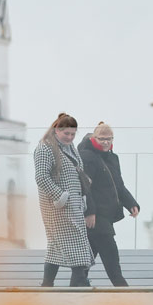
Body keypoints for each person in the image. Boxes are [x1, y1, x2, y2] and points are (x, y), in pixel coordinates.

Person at [33, 113, 94, 287]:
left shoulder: (70, 147)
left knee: (56, 248)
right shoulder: (45, 148)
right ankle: (78, 289)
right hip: (56, 207)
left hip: (73, 206)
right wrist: (60, 196)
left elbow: (77, 173)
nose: (69, 137)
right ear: (56, 130)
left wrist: (81, 198)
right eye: (66, 133)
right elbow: (41, 177)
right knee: (78, 250)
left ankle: (47, 285)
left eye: (73, 134)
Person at [77, 121, 140, 287]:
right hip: (96, 217)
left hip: (107, 215)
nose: (105, 142)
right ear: (94, 138)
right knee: (111, 256)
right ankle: (124, 290)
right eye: (102, 139)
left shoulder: (113, 158)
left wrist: (131, 203)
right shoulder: (87, 156)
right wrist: (89, 212)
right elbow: (84, 187)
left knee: (86, 260)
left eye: (109, 139)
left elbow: (119, 185)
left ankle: (76, 287)